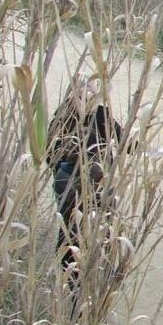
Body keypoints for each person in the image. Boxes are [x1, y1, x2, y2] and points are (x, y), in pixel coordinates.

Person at [47, 76, 122, 271]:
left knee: (69, 226)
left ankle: (68, 274)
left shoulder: (63, 113)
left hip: (66, 179)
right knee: (103, 224)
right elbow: (125, 142)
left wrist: (57, 171)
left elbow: (48, 151)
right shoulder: (101, 113)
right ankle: (97, 271)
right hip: (97, 179)